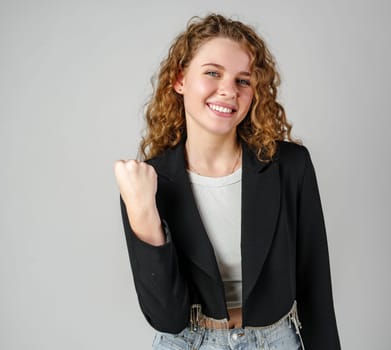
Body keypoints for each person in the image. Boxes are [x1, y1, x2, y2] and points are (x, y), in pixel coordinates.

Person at [114, 14, 341, 350]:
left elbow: (315, 288)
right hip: (188, 343)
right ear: (179, 80)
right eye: (212, 73)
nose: (228, 91)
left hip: (275, 342)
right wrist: (144, 213)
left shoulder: (290, 167)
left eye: (243, 80)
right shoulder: (147, 180)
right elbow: (168, 319)